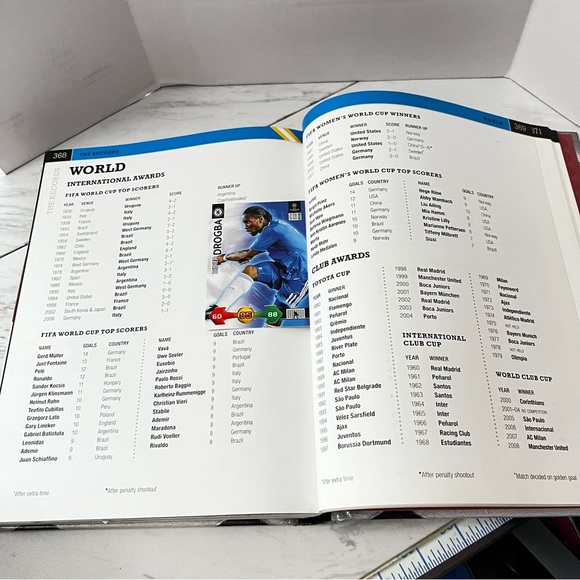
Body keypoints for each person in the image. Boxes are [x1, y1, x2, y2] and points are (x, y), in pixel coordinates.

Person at [206, 205, 308, 323]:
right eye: (244, 223)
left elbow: (246, 255)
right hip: (283, 269)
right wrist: (247, 255)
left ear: (261, 219)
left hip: (300, 277)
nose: (246, 226)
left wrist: (223, 258)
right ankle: (219, 308)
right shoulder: (273, 227)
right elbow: (250, 253)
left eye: (248, 222)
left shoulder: (272, 230)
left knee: (274, 316)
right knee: (250, 271)